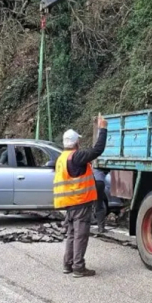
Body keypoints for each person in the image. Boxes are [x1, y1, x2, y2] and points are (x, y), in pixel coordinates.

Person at [54, 116, 108, 277]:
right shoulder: (77, 156)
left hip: (69, 203)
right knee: (81, 235)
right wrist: (103, 129)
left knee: (71, 234)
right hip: (80, 202)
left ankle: (68, 264)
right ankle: (78, 267)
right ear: (76, 142)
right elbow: (97, 150)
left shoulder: (62, 157)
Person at [93, 167, 109, 234]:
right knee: (99, 205)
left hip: (89, 182)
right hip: (99, 182)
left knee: (82, 205)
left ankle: (67, 226)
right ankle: (101, 228)